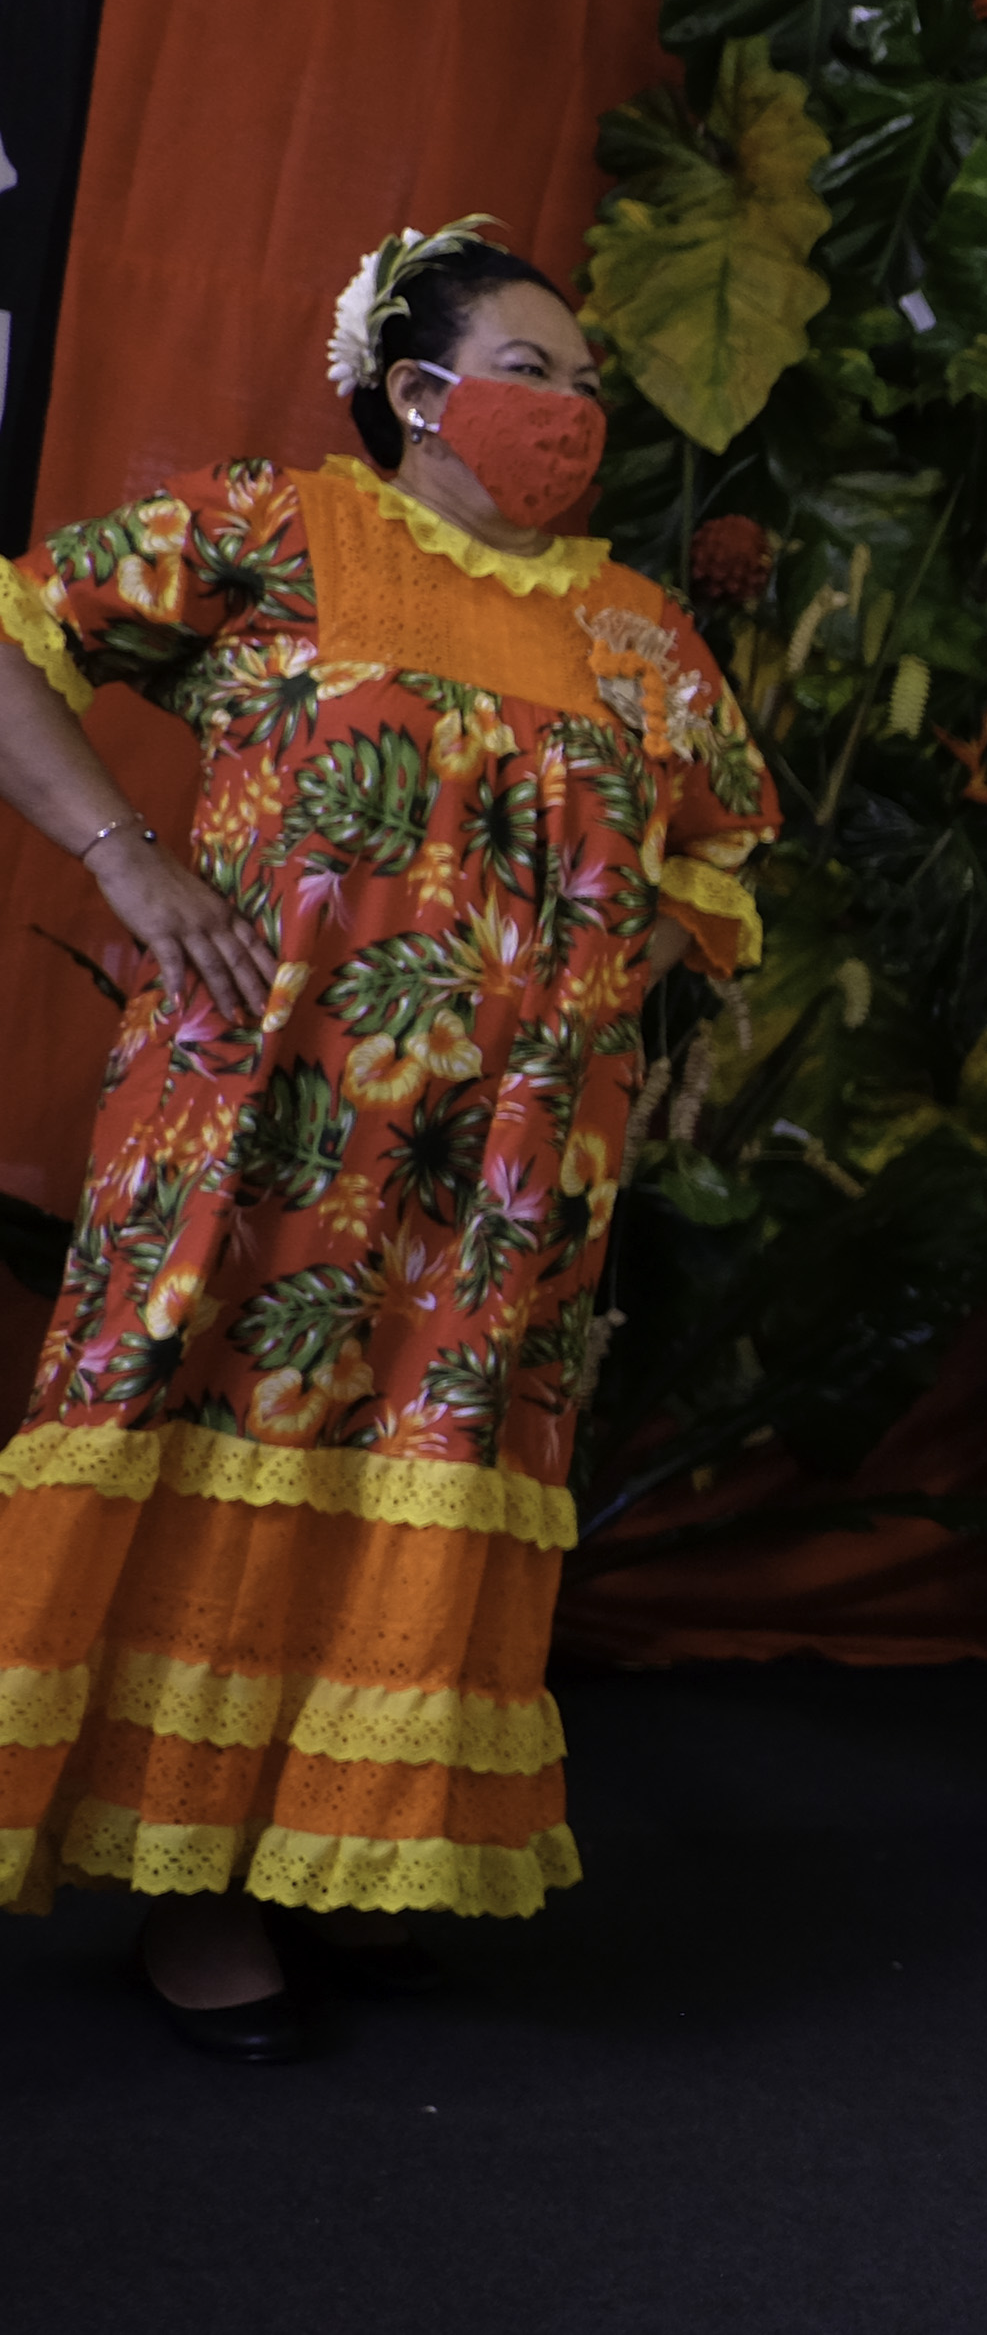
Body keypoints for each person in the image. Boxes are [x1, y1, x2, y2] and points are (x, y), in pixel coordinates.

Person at [0, 219, 777, 2058]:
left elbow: (715, 856)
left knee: (425, 1465)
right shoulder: (281, 528)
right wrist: (128, 852)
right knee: (237, 1445)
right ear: (417, 393)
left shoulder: (636, 627)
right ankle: (195, 1890)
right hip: (267, 1132)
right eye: (538, 370)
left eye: (590, 384)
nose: (575, 408)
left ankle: (326, 1857)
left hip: (503, 1178)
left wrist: (587, 980)